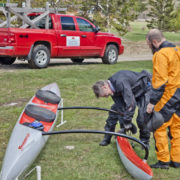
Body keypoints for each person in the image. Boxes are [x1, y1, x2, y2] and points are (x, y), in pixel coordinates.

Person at [146, 29, 180, 169]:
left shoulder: (161, 54)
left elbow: (160, 82)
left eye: (149, 44)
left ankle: (163, 161)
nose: (149, 46)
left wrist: (152, 102)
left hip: (169, 95)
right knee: (177, 127)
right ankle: (177, 160)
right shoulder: (177, 49)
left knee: (159, 126)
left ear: (154, 42)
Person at [92, 70, 151, 147]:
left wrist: (127, 121)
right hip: (132, 92)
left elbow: (130, 104)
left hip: (144, 90)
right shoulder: (112, 88)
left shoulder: (120, 82)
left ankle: (145, 141)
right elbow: (121, 107)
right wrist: (126, 124)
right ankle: (107, 137)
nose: (106, 97)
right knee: (114, 112)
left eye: (104, 95)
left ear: (104, 87)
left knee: (142, 118)